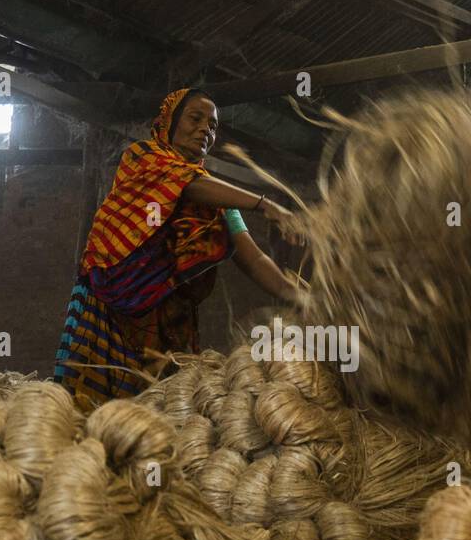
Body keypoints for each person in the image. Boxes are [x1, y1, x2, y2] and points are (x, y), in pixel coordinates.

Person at [54, 87, 305, 408]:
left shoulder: (215, 199)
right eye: (195, 118)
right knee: (92, 409)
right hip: (111, 310)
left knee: (163, 414)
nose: (205, 129)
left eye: (213, 126)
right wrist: (264, 204)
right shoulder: (143, 157)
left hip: (168, 324)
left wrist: (298, 295)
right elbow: (186, 183)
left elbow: (253, 258)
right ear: (170, 122)